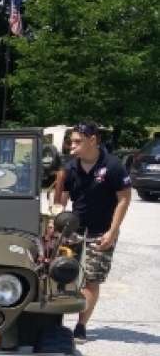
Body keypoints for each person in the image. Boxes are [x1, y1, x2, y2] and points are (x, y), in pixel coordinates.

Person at [54, 122, 131, 341]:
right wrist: (58, 188)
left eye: (78, 141)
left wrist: (113, 232)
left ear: (93, 140)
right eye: (71, 142)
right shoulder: (70, 168)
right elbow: (60, 204)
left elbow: (124, 199)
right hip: (73, 230)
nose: (72, 146)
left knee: (91, 279)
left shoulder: (113, 166)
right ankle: (54, 322)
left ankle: (81, 325)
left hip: (101, 232)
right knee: (59, 275)